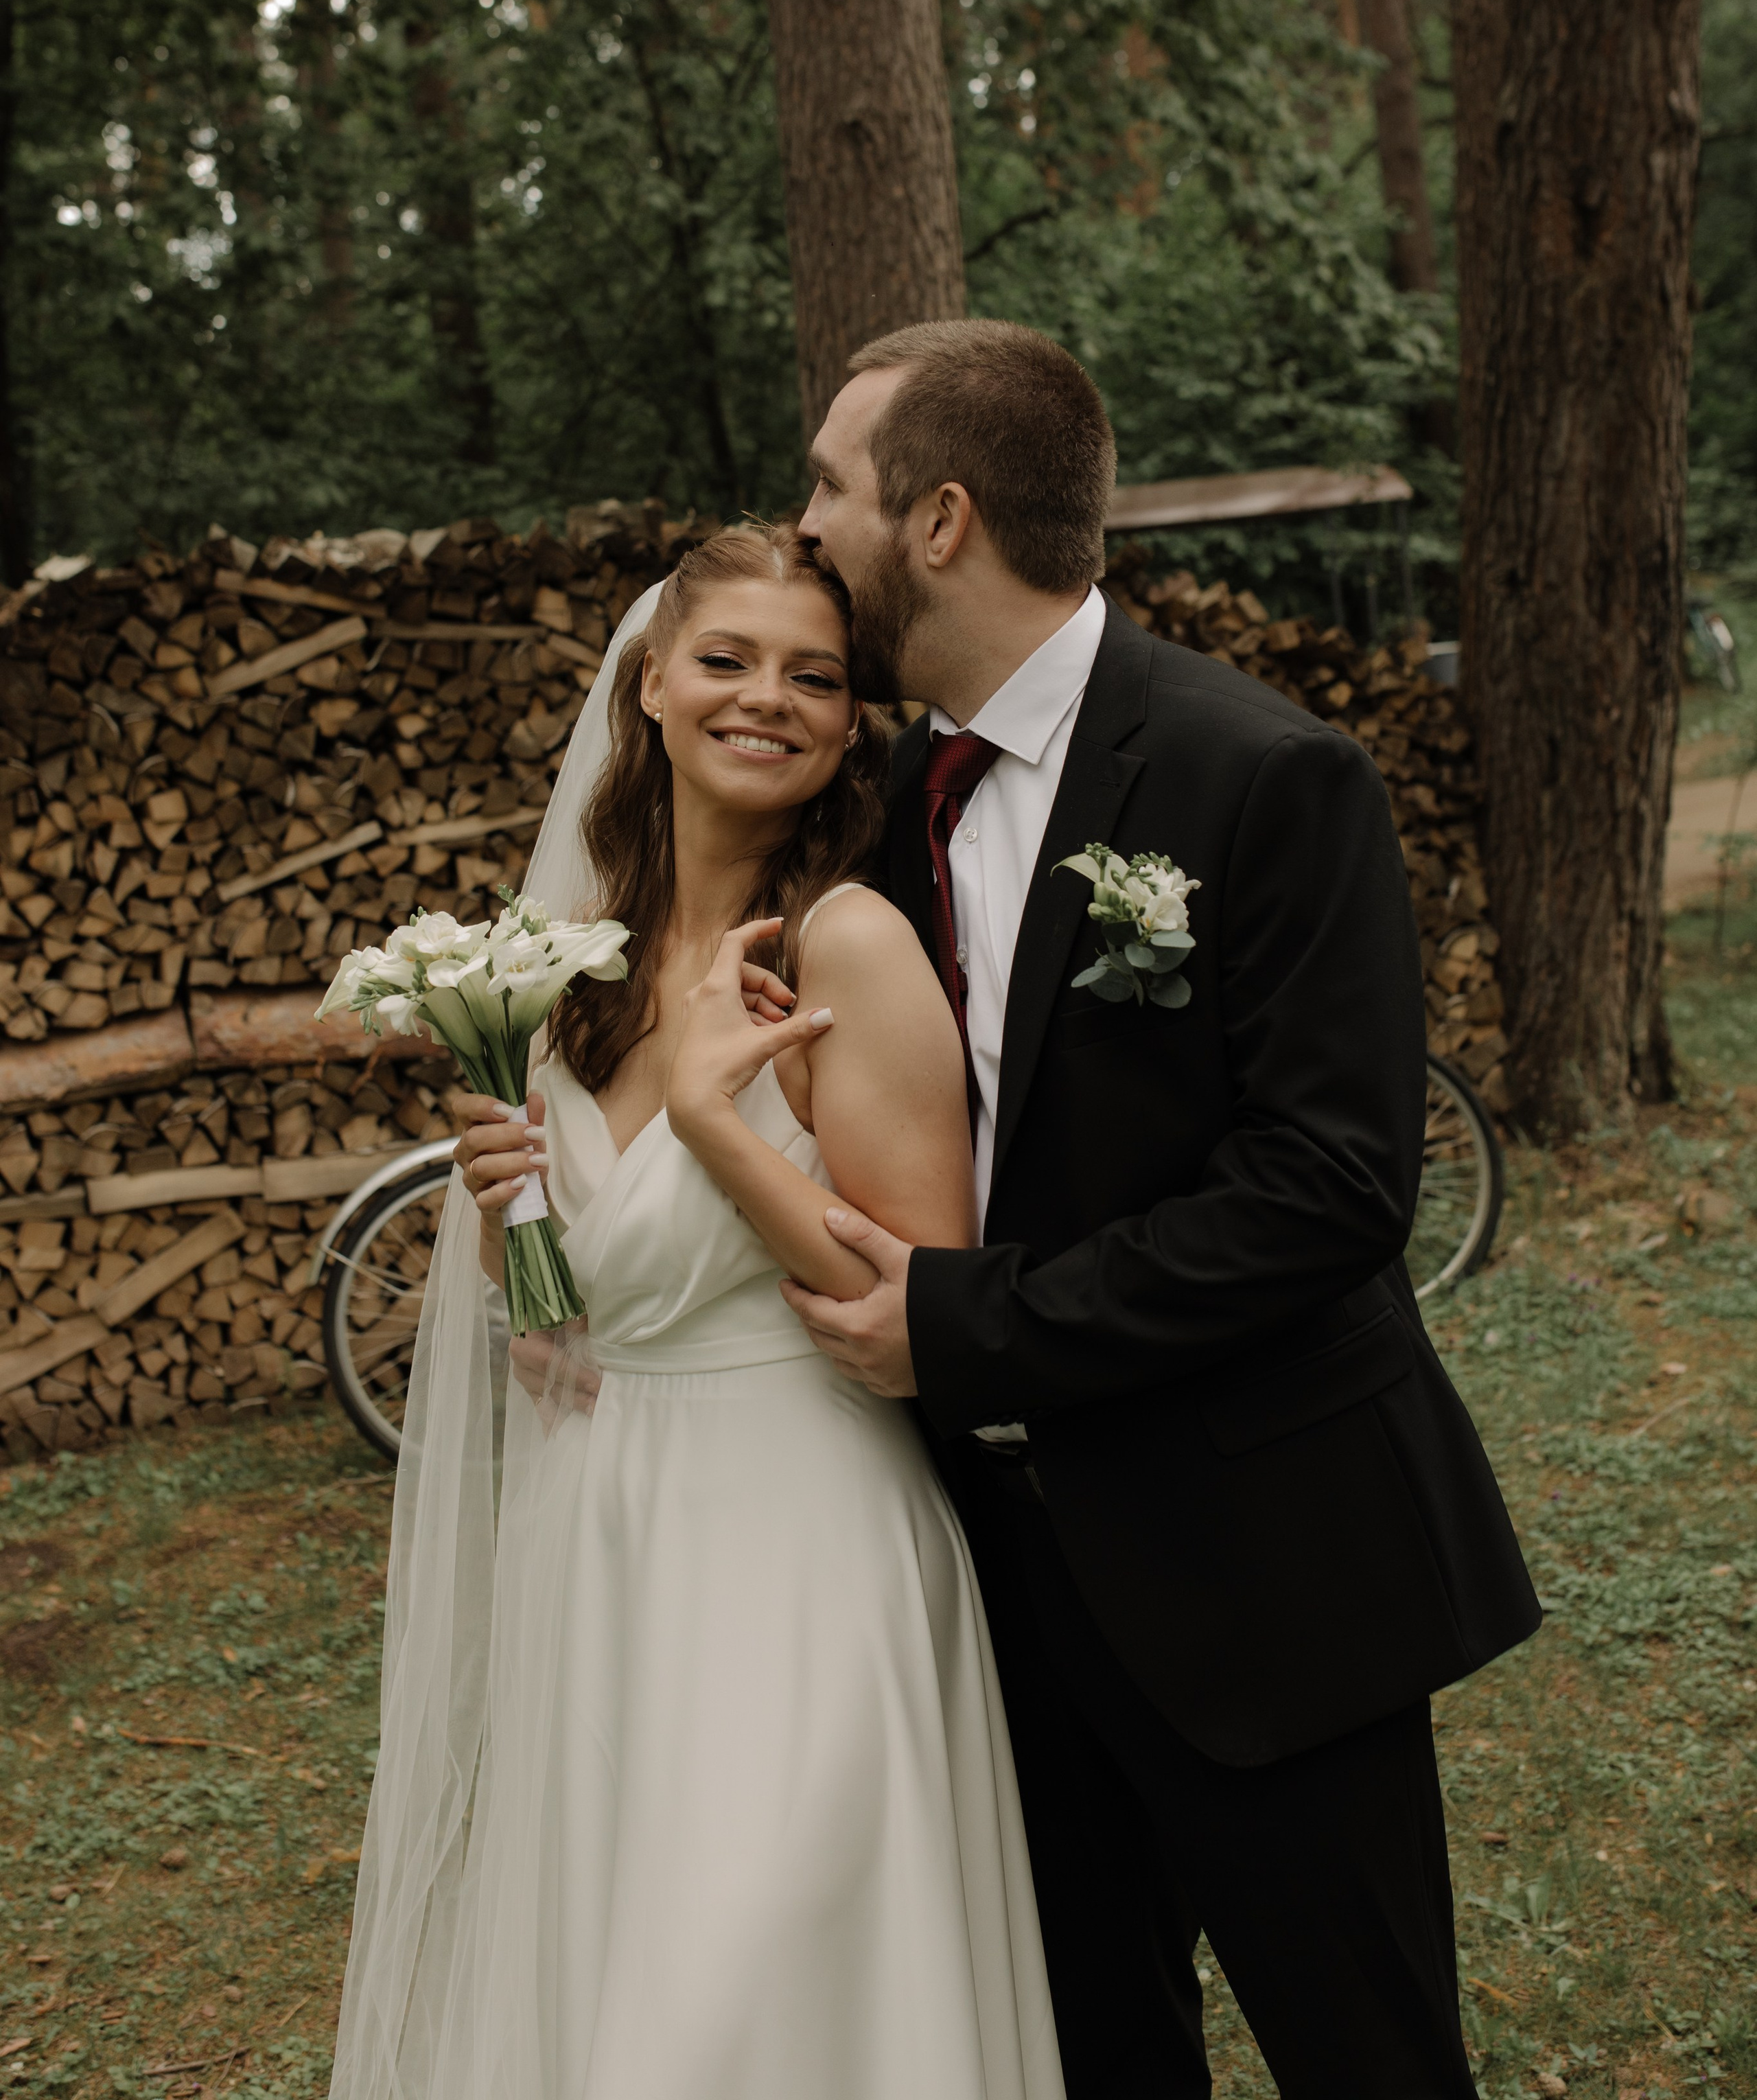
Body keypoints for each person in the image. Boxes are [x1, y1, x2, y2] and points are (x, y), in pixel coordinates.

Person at [786, 319, 1542, 2099]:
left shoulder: (1263, 776)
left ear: (943, 517)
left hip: (1267, 1575)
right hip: (1002, 1604)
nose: (801, 526)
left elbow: (1332, 1189)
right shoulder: (887, 805)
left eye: (828, 486)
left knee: (1369, 2062)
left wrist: (970, 1329)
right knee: (1094, 2061)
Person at [327, 522, 1064, 2100]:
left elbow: (918, 1291)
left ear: (847, 722)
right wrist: (496, 1201)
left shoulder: (845, 946)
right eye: (725, 659)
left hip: (798, 1534)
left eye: (812, 676)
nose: (767, 699)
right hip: (598, 1531)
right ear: (649, 680)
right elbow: (554, 1305)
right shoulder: (559, 953)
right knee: (612, 1967)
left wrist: (728, 1129)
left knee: (746, 1980)